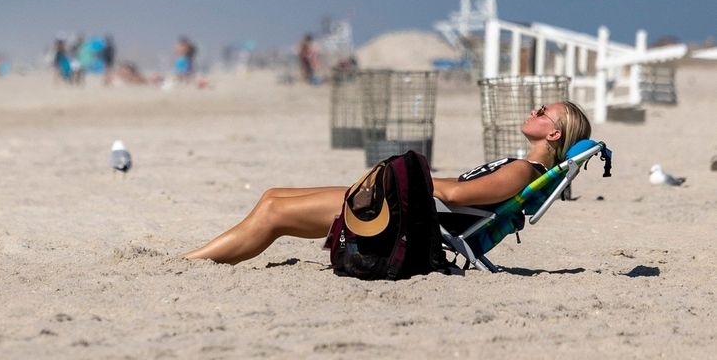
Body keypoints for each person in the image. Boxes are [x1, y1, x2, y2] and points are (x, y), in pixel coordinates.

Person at [184, 101, 592, 264]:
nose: (534, 110)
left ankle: (194, 264)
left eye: (543, 112)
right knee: (272, 195)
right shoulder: (520, 167)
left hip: (407, 221)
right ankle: (203, 258)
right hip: (410, 209)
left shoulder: (522, 172)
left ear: (553, 135)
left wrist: (406, 176)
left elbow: (456, 194)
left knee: (274, 211)